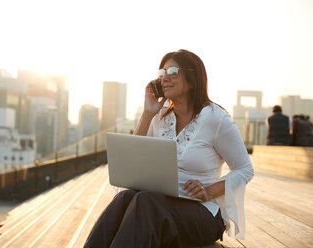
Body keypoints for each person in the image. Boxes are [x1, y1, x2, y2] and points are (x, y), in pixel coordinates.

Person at [84, 49, 254, 248]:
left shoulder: (216, 119)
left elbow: (245, 170)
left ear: (193, 78)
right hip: (157, 206)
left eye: (172, 71)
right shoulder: (159, 116)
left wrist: (208, 191)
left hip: (202, 214)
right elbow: (134, 156)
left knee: (146, 202)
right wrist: (148, 113)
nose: (164, 78)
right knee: (125, 197)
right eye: (162, 72)